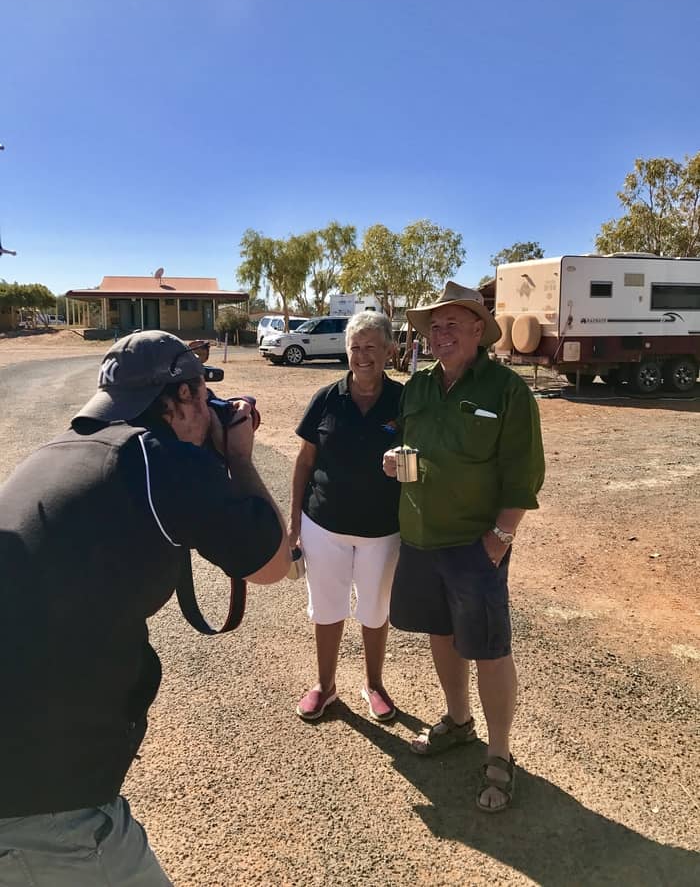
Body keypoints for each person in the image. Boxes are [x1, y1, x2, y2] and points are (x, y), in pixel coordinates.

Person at [0, 330, 289, 885]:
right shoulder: (157, 460)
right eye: (204, 396)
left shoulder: (58, 452)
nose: (210, 408)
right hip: (40, 800)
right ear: (179, 400)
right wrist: (239, 458)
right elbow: (273, 564)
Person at [384, 282, 545, 814]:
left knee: (491, 649)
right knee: (441, 633)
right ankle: (458, 720)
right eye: (434, 324)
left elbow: (524, 474)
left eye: (453, 322)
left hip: (476, 544)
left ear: (480, 329)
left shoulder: (507, 390)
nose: (440, 332)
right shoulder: (418, 385)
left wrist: (500, 539)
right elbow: (416, 447)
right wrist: (395, 461)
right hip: (421, 537)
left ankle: (500, 754)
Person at [289, 311, 403, 722]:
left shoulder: (404, 400)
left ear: (390, 350)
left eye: (372, 346)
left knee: (374, 610)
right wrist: (294, 524)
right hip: (324, 526)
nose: (363, 355)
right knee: (327, 608)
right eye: (356, 347)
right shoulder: (326, 398)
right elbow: (304, 463)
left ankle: (374, 684)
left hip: (382, 529)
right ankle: (325, 685)